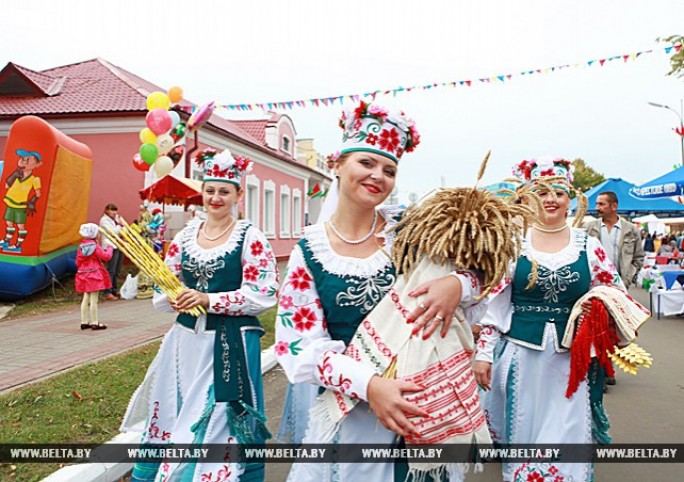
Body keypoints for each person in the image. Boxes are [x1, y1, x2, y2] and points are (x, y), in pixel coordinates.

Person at [276, 101, 484, 482]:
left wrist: (459, 285)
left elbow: (486, 277)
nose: (378, 176)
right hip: (352, 415)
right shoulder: (309, 252)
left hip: (424, 407)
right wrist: (369, 386)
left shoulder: (413, 235)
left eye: (389, 170)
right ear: (336, 164)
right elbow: (296, 348)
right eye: (366, 163)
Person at [121, 148, 279, 482]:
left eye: (224, 191)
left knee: (218, 414)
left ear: (238, 195)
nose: (216, 198)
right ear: (202, 192)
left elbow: (264, 293)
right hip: (184, 343)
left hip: (229, 344)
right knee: (179, 409)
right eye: (210, 190)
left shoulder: (250, 237)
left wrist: (209, 299)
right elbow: (164, 284)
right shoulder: (185, 236)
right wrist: (174, 297)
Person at [473, 158, 625, 482]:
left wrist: (596, 309)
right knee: (525, 428)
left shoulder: (590, 245)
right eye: (542, 192)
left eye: (558, 191)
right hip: (521, 356)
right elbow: (494, 304)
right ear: (528, 197)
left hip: (573, 359)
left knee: (568, 429)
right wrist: (484, 353)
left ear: (570, 198)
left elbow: (615, 293)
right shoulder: (514, 244)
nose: (551, 199)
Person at [584, 191, 644, 289]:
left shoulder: (631, 230)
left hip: (620, 284)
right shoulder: (588, 228)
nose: (597, 208)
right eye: (597, 204)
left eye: (601, 204)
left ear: (614, 206)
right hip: (595, 284)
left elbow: (638, 257)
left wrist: (629, 277)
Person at [1, 149, 43, 253]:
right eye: (22, 159)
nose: (24, 161)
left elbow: (38, 193)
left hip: (21, 205)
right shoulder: (17, 174)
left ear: (37, 164)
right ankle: (7, 240)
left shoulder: (34, 179)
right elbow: (6, 186)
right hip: (10, 201)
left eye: (28, 159)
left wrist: (32, 202)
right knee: (9, 222)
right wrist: (14, 176)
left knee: (20, 225)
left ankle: (18, 244)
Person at [74, 223, 112, 330]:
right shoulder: (95, 246)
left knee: (85, 298)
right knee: (94, 300)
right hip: (94, 274)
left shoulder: (81, 247)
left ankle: (84, 321)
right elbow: (106, 257)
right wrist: (110, 248)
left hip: (83, 274)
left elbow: (77, 261)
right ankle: (95, 322)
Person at [99, 203, 124, 300]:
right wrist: (120, 225)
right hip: (110, 246)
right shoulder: (104, 220)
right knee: (111, 270)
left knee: (117, 270)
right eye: (112, 210)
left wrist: (121, 225)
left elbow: (123, 230)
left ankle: (114, 289)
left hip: (118, 245)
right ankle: (107, 291)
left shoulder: (115, 220)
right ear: (106, 210)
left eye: (115, 210)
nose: (114, 212)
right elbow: (113, 232)